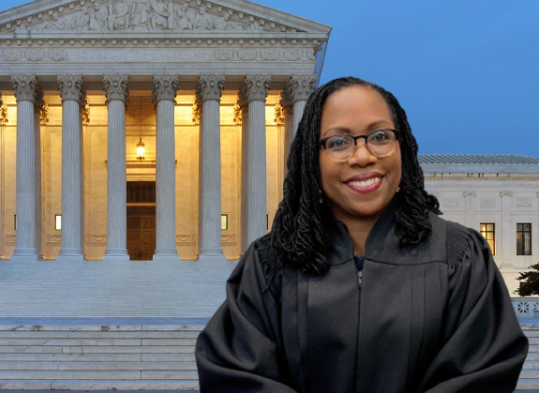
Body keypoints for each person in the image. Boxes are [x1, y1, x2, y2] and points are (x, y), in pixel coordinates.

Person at [195, 77, 527, 392]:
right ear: (312, 159)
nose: (363, 155)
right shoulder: (269, 263)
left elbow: (482, 372)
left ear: (403, 146)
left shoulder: (459, 256)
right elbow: (237, 375)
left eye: (380, 136)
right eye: (338, 141)